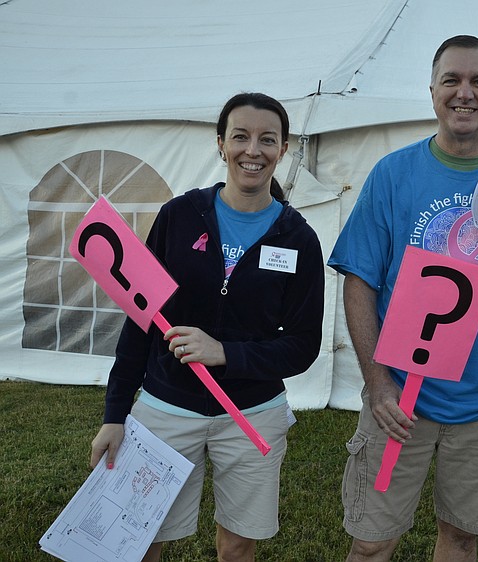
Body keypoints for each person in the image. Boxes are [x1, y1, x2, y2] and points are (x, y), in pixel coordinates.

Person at [328, 35, 478, 561]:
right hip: (400, 395)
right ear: (432, 90)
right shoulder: (393, 174)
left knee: (461, 537)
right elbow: (359, 279)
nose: (465, 93)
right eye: (452, 80)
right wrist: (377, 383)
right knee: (370, 541)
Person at [89, 92, 325, 562]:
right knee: (138, 539)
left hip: (251, 412)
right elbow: (141, 320)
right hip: (166, 407)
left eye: (267, 140)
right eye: (240, 136)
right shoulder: (179, 216)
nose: (252, 150)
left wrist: (227, 353)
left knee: (237, 546)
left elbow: (302, 346)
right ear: (220, 144)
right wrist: (116, 413)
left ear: (282, 149)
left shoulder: (298, 238)